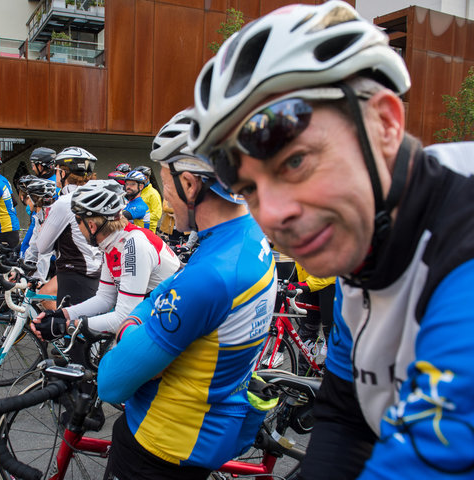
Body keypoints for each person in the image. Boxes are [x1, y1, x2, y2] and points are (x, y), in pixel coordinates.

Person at [187, 2, 474, 478]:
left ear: (385, 123)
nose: (273, 214)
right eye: (249, 190)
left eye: (295, 162)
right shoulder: (360, 245)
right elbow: (346, 419)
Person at [97, 110, 277, 479]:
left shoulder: (211, 276)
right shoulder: (250, 238)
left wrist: (130, 327)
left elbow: (112, 384)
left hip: (158, 447)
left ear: (191, 185)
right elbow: (168, 292)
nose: (165, 203)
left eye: (166, 187)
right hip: (208, 430)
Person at [30, 180, 180, 338]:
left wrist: (66, 326)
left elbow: (124, 318)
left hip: (176, 323)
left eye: (78, 222)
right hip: (161, 316)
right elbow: (105, 299)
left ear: (92, 225)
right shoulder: (112, 243)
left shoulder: (133, 245)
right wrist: (62, 314)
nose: (78, 229)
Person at [35, 146, 102, 306]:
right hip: (97, 269)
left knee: (49, 306)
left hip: (76, 272)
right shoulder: (95, 195)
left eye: (57, 170)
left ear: (63, 173)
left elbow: (42, 246)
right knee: (47, 296)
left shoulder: (65, 202)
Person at [133, 165, 163, 233]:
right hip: (137, 229)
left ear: (146, 177)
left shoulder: (153, 193)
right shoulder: (139, 192)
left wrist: (140, 216)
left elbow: (157, 215)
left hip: (148, 230)